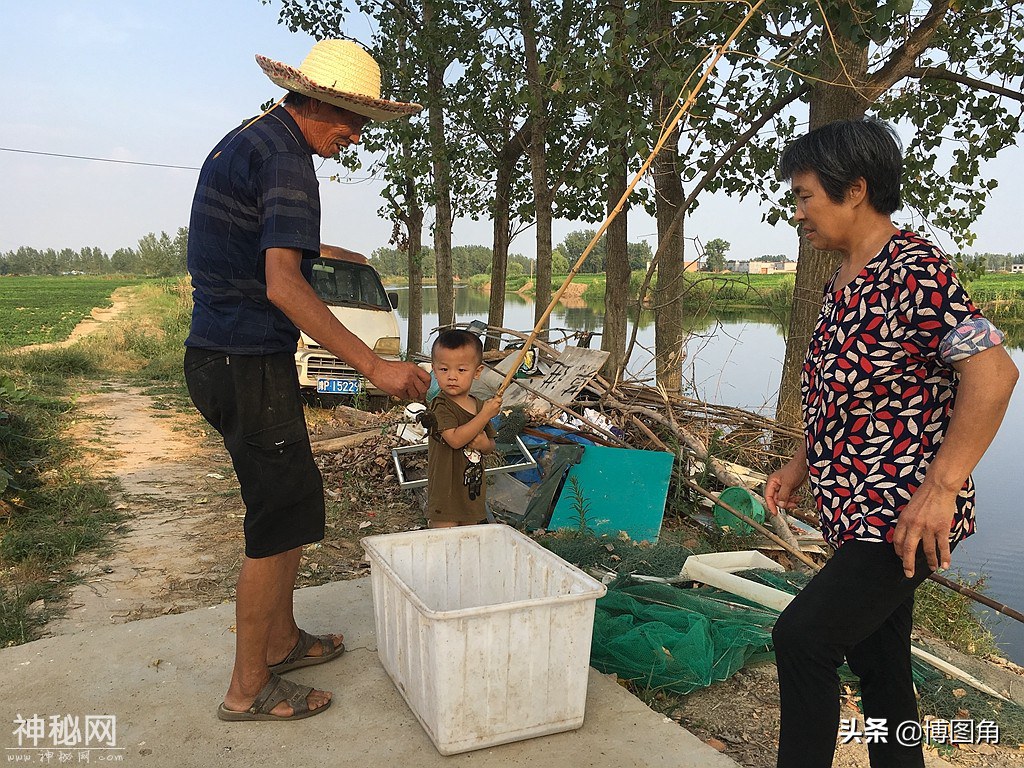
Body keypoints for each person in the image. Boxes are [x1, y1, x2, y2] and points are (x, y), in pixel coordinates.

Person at [184, 39, 430, 722]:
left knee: (291, 508)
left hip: (228, 356)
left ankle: (284, 641)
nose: (355, 135)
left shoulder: (251, 140)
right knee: (273, 523)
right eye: (351, 118)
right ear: (316, 102)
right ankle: (247, 687)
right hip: (245, 362)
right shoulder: (288, 158)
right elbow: (285, 284)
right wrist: (375, 365)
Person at [764, 118, 1018, 767]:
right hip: (855, 513)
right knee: (879, 666)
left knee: (802, 639)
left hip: (904, 517)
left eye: (804, 195)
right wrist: (798, 465)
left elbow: (993, 372)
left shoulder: (913, 268)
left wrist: (941, 488)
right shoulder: (843, 280)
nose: (798, 212)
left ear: (856, 190)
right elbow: (839, 395)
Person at [423, 330, 503, 528]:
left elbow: (490, 445)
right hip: (445, 493)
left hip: (471, 492)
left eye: (461, 370)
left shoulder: (479, 405)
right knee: (443, 545)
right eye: (444, 370)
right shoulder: (439, 405)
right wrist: (485, 415)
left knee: (468, 542)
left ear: (477, 372)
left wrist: (485, 444)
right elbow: (455, 439)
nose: (452, 377)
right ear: (434, 370)